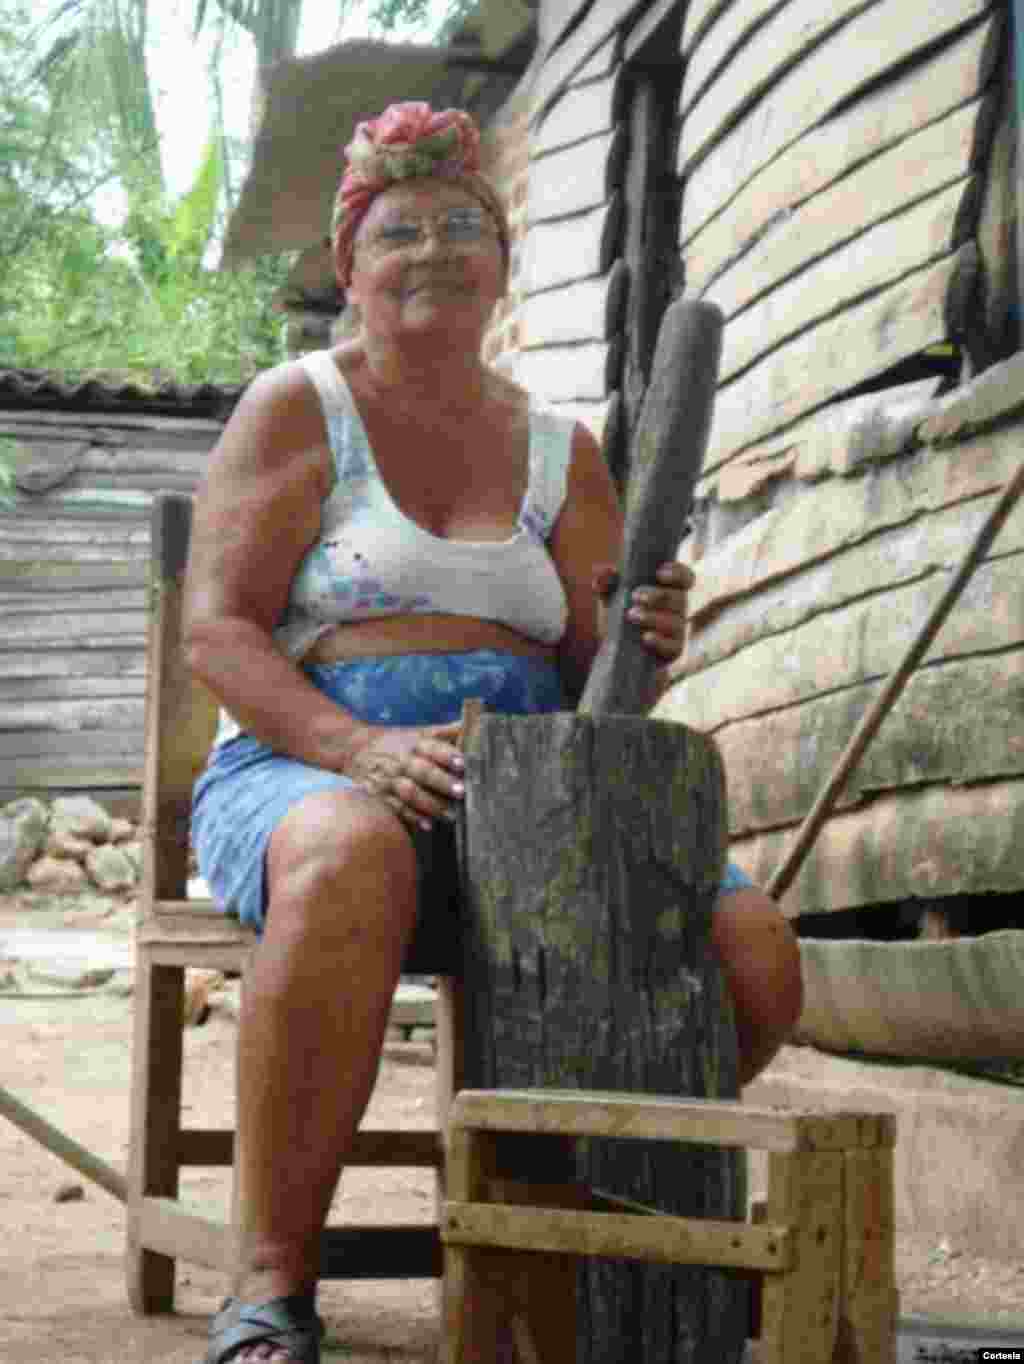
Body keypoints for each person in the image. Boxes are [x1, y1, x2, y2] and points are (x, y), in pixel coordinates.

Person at [184, 101, 802, 1364]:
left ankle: (568, 1215)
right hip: (304, 768)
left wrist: (646, 635)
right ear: (349, 263)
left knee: (753, 951)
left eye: (465, 225)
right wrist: (352, 748)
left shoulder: (561, 450)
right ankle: (269, 1282)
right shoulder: (296, 410)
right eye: (399, 229)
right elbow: (220, 632)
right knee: (354, 855)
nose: (434, 250)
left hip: (533, 803)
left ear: (504, 263)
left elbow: (596, 674)